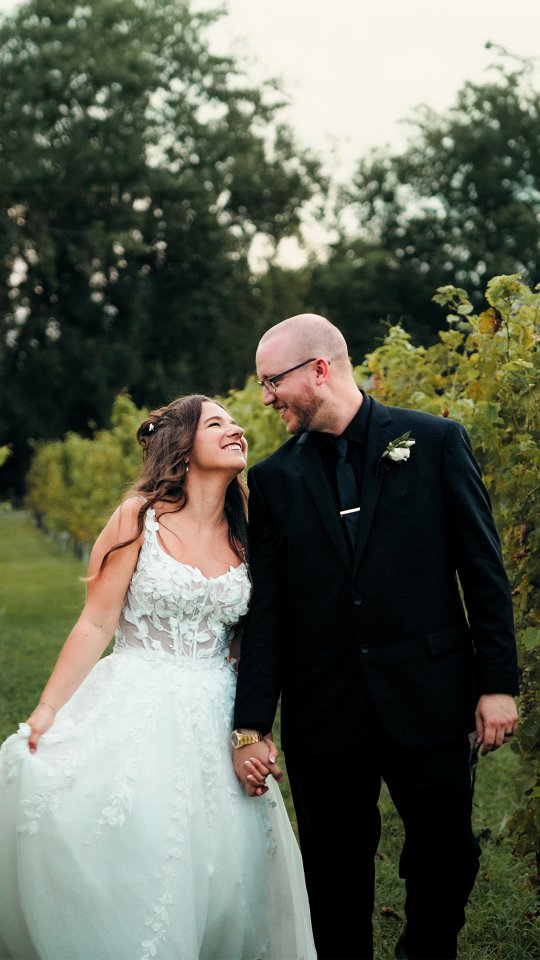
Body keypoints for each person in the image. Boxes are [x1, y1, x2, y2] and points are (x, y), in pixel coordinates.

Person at [231, 315, 520, 960]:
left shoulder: (435, 441)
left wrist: (497, 683)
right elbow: (267, 608)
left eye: (272, 381)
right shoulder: (274, 479)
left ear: (319, 370)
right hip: (324, 706)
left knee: (446, 853)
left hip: (430, 693)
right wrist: (252, 722)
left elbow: (483, 570)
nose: (267, 397)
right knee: (333, 870)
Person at [0, 394, 316, 960]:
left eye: (236, 422)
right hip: (139, 698)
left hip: (218, 709)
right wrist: (47, 711)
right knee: (138, 844)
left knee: (223, 865)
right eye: (216, 423)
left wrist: (253, 729)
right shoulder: (137, 519)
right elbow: (96, 622)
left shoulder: (248, 532)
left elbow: (251, 639)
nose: (236, 429)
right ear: (183, 446)